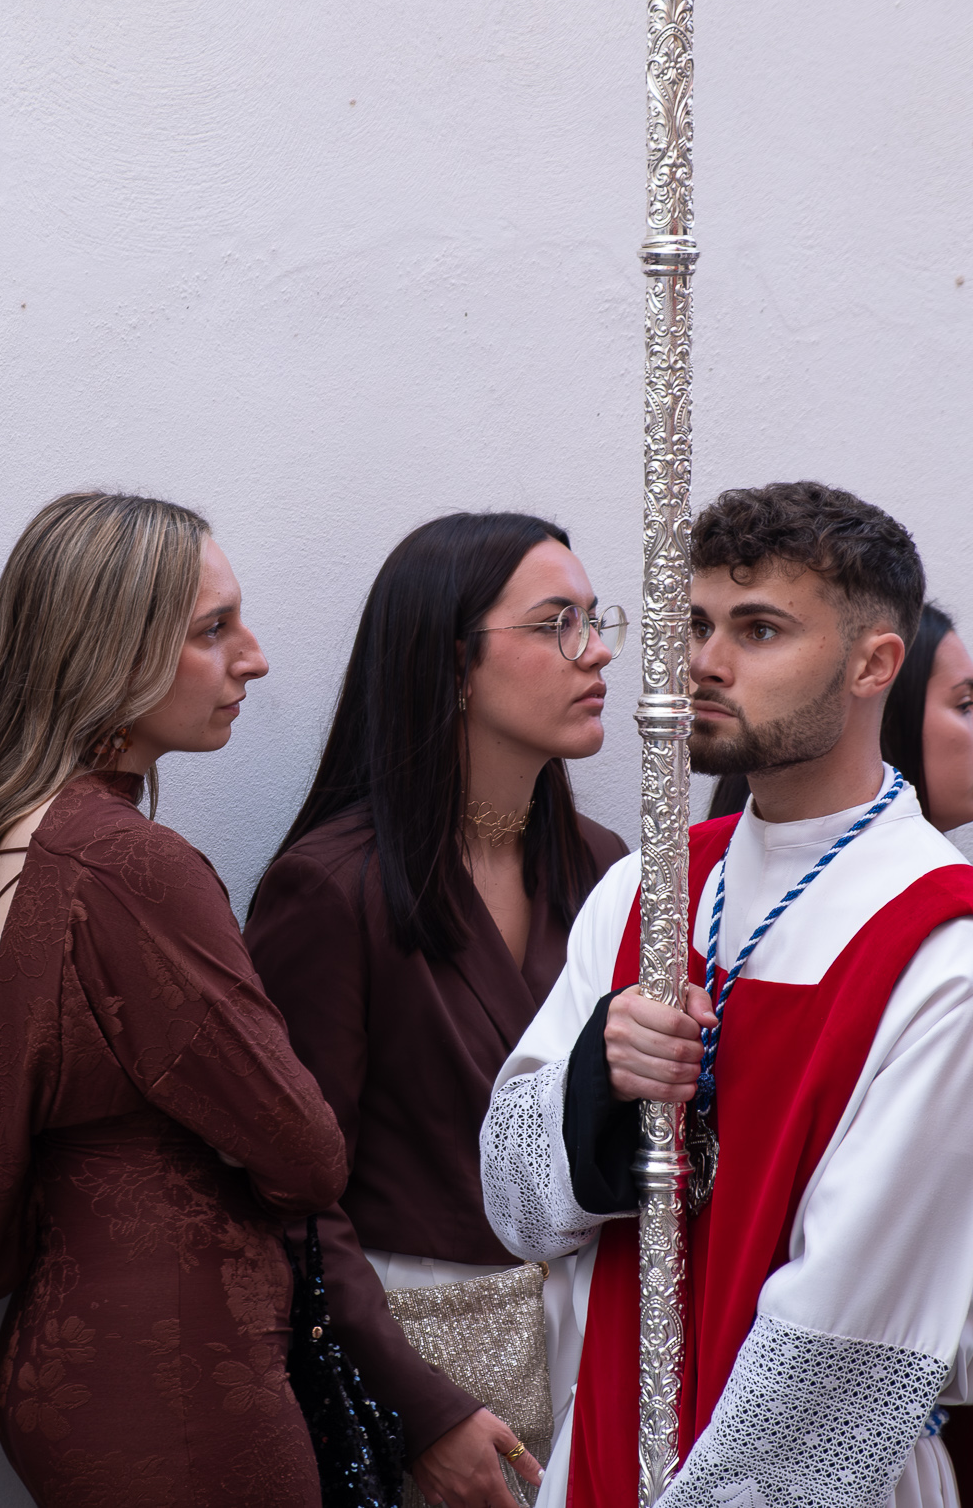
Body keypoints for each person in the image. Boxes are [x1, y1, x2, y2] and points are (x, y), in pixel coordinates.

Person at [480, 481, 973, 1508]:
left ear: (871, 664)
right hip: (606, 1448)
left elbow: (844, 1344)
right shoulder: (644, 890)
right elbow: (511, 1202)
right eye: (698, 624)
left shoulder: (949, 955)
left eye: (757, 630)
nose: (704, 663)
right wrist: (595, 1083)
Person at [0, 491, 347, 1508]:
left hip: (72, 1347)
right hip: (174, 1367)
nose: (250, 657)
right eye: (212, 630)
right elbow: (305, 1150)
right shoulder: (127, 863)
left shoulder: (8, 837)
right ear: (108, 655)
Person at [245, 513, 628, 1508]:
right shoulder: (329, 891)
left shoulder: (605, 869)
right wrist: (421, 1410)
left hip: (597, 1350)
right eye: (555, 625)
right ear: (450, 665)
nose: (596, 654)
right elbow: (290, 1201)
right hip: (417, 1362)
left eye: (596, 621)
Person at [711, 604, 973, 1152]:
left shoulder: (957, 929)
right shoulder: (659, 884)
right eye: (964, 703)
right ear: (880, 699)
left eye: (758, 632)